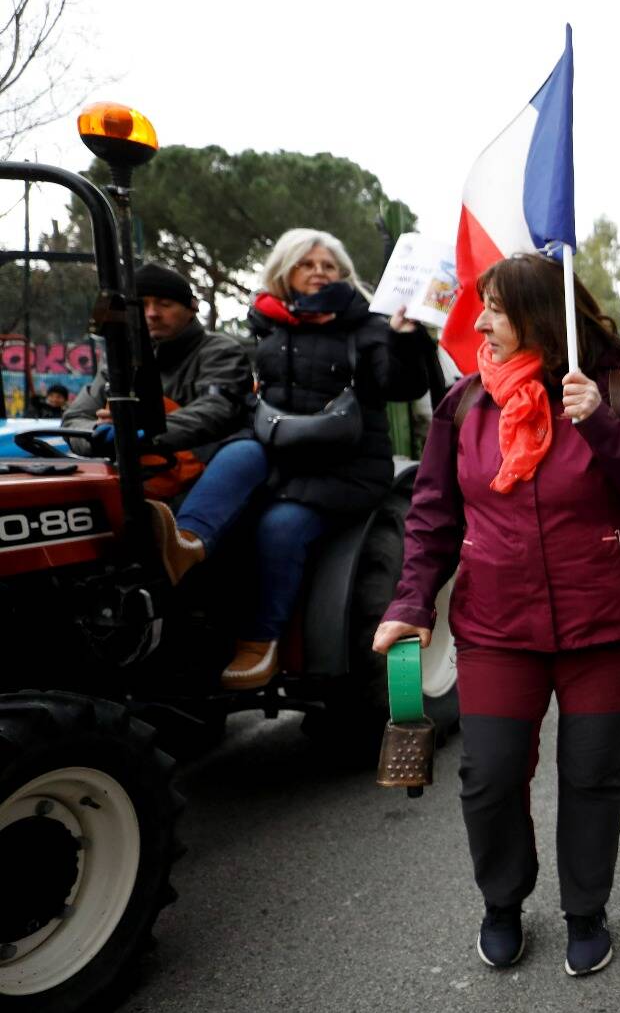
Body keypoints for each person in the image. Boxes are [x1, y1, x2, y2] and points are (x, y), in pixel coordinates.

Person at [376, 253, 620, 977]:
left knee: (591, 771)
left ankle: (586, 910)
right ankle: (503, 902)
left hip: (604, 624)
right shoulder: (464, 405)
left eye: (497, 308)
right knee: (488, 771)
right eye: (481, 307)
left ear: (542, 318)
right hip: (497, 625)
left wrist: (603, 425)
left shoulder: (618, 390)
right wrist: (410, 602)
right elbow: (430, 517)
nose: (481, 322)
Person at [146, 233, 430, 688]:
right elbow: (243, 403)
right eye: (307, 264)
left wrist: (406, 340)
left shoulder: (367, 327)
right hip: (284, 454)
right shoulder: (269, 329)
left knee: (280, 527)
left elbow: (400, 385)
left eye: (329, 265)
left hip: (344, 465)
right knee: (237, 453)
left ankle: (262, 642)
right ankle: (186, 544)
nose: (319, 271)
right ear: (285, 273)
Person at [64, 261, 254, 489]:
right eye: (141, 306)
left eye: (165, 304)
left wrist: (139, 432)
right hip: (133, 480)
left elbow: (216, 409)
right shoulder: (119, 360)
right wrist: (96, 434)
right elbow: (75, 418)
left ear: (191, 308)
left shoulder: (220, 352)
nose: (152, 314)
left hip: (202, 477)